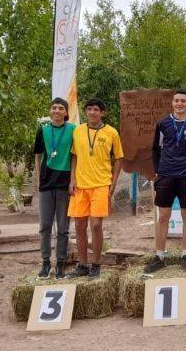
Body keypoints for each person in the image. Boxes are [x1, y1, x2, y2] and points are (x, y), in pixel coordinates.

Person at [144, 90, 186, 273]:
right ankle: (160, 256)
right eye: (177, 101)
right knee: (163, 216)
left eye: (183, 101)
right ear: (172, 103)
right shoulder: (163, 123)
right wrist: (157, 172)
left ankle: (185, 255)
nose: (180, 104)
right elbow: (155, 149)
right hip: (166, 175)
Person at [66, 98, 123, 279]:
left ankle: (96, 264)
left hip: (100, 185)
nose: (92, 112)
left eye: (96, 109)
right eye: (89, 109)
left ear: (102, 113)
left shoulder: (111, 132)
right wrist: (72, 179)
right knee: (79, 226)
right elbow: (74, 156)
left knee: (96, 225)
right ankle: (82, 265)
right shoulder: (78, 131)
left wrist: (113, 183)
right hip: (80, 186)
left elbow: (119, 158)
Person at [33, 98, 75, 278]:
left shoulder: (74, 130)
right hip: (46, 182)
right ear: (50, 112)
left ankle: (60, 264)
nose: (57, 111)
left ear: (66, 112)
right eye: (54, 108)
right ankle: (45, 263)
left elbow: (75, 157)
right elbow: (37, 155)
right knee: (45, 226)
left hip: (65, 183)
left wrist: (73, 179)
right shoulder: (43, 130)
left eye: (60, 108)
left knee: (63, 227)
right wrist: (37, 177)